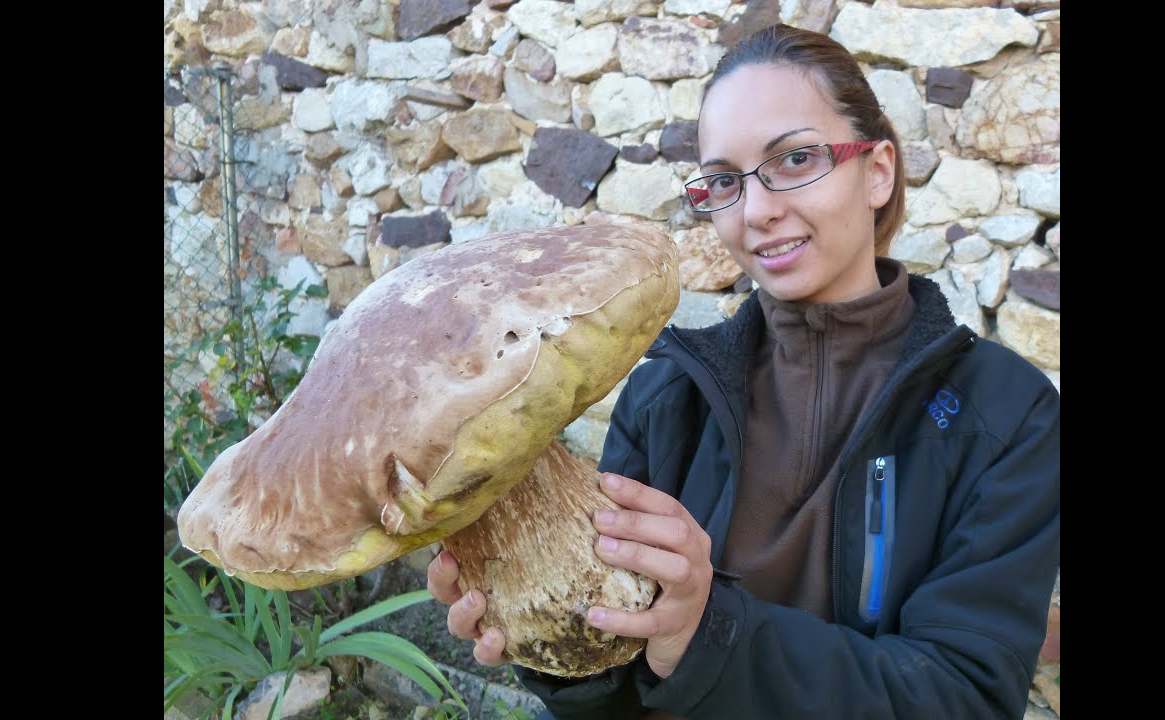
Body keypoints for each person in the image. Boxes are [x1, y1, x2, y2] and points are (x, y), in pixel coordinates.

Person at [428, 23, 1060, 720]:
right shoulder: (665, 397)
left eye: (794, 160)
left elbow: (964, 697)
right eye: (724, 180)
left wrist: (708, 633)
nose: (757, 210)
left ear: (877, 171)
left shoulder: (1007, 416)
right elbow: (614, 690)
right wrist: (557, 646)